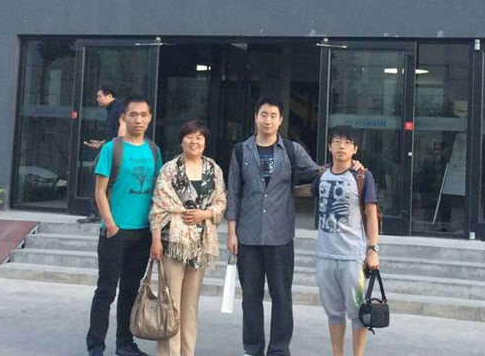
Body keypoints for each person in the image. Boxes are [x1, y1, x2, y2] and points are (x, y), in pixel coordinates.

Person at [226, 96, 322, 356]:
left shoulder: (291, 150)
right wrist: (231, 232)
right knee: (251, 297)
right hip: (248, 235)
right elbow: (233, 193)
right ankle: (253, 348)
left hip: (280, 236)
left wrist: (347, 167)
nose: (267, 120)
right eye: (263, 115)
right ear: (255, 117)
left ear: (280, 120)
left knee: (281, 296)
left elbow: (318, 174)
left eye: (273, 116)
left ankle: (279, 349)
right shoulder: (241, 151)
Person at [86, 96, 162, 356]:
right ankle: (96, 345)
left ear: (149, 118)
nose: (138, 119)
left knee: (130, 290)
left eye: (143, 115)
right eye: (133, 114)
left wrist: (155, 233)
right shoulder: (112, 149)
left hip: (142, 233)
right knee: (106, 291)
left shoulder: (153, 151)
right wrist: (110, 225)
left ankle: (124, 343)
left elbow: (158, 192)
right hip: (115, 232)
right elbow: (99, 191)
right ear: (123, 118)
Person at [295, 125, 380, 356]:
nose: (342, 146)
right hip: (324, 255)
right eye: (337, 141)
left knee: (359, 311)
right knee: (333, 312)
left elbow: (371, 213)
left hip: (352, 256)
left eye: (347, 142)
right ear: (329, 146)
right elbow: (308, 191)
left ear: (355, 149)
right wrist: (281, 188)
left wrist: (373, 249)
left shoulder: (362, 176)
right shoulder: (323, 175)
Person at [149, 120, 226, 356]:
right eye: (189, 136)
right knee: (170, 302)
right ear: (181, 141)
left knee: (190, 304)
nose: (194, 141)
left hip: (201, 243)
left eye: (199, 137)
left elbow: (221, 202)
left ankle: (187, 352)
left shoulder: (213, 169)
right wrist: (155, 240)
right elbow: (159, 206)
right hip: (173, 242)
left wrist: (205, 214)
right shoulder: (170, 169)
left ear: (205, 142)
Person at [79, 85, 127, 224]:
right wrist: (101, 143)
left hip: (115, 148)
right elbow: (114, 132)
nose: (97, 99)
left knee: (98, 174)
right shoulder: (111, 109)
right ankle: (99, 211)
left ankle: (97, 212)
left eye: (99, 96)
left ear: (109, 96)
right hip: (111, 146)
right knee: (101, 176)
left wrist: (117, 146)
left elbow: (122, 126)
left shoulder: (118, 106)